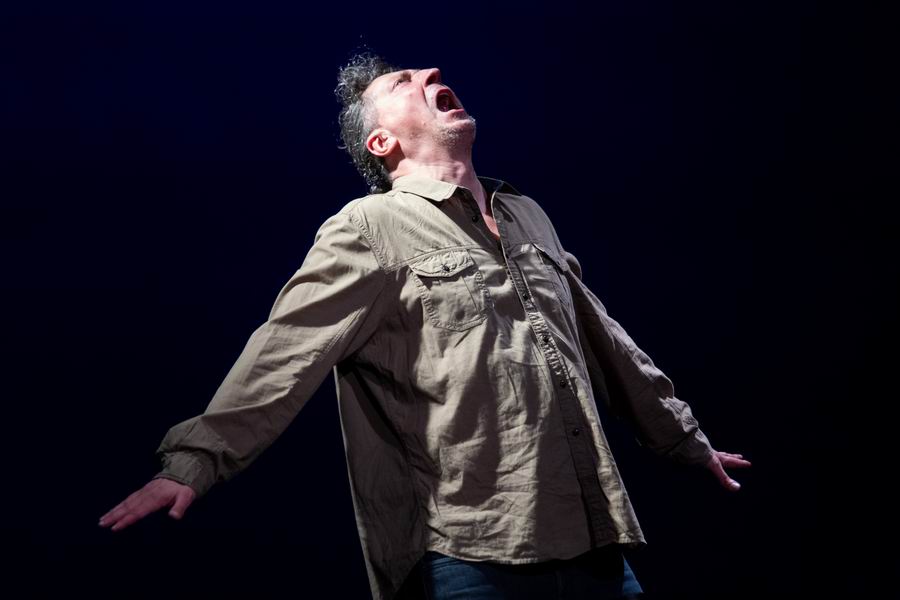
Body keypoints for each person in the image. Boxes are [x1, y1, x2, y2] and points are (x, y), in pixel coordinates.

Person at [98, 53, 752, 600]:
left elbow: (603, 337)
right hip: (469, 556)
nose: (432, 72)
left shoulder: (526, 213)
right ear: (382, 143)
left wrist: (682, 436)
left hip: (594, 543)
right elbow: (283, 352)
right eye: (404, 82)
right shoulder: (369, 227)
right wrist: (194, 463)